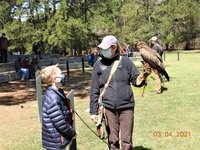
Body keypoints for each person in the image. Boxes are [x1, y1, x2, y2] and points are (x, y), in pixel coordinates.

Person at [90, 35, 149, 150]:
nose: (103, 51)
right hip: (108, 108)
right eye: (102, 48)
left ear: (114, 47)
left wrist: (144, 76)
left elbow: (136, 81)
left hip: (126, 107)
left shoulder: (126, 62)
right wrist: (93, 111)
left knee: (126, 141)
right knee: (113, 140)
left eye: (106, 48)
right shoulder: (98, 65)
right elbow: (94, 89)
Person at [40, 65, 76, 150]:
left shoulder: (56, 92)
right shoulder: (53, 98)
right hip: (55, 141)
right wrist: (73, 133)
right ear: (55, 79)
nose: (63, 76)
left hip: (55, 140)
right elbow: (60, 123)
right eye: (61, 74)